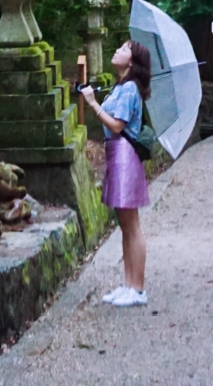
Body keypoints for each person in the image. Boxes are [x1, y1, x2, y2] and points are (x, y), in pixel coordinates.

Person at [81, 39, 152, 308]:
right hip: (116, 154)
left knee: (131, 224)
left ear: (131, 62)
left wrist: (93, 104)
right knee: (123, 225)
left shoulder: (131, 89)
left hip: (124, 155)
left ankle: (138, 288)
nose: (117, 50)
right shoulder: (121, 86)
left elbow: (118, 125)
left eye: (123, 49)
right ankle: (128, 284)